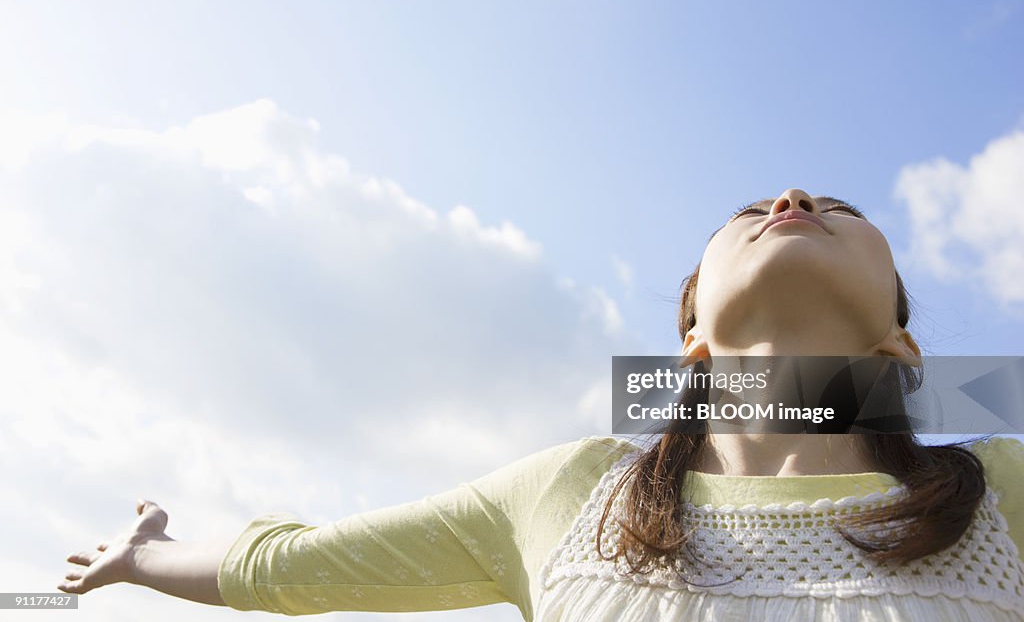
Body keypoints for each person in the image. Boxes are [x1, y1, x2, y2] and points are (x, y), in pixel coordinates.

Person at [59, 188, 1024, 621]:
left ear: (900, 345)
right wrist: (145, 556)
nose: (791, 195)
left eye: (843, 211)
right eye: (743, 217)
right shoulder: (572, 491)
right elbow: (297, 567)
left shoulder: (1002, 489)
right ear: (693, 341)